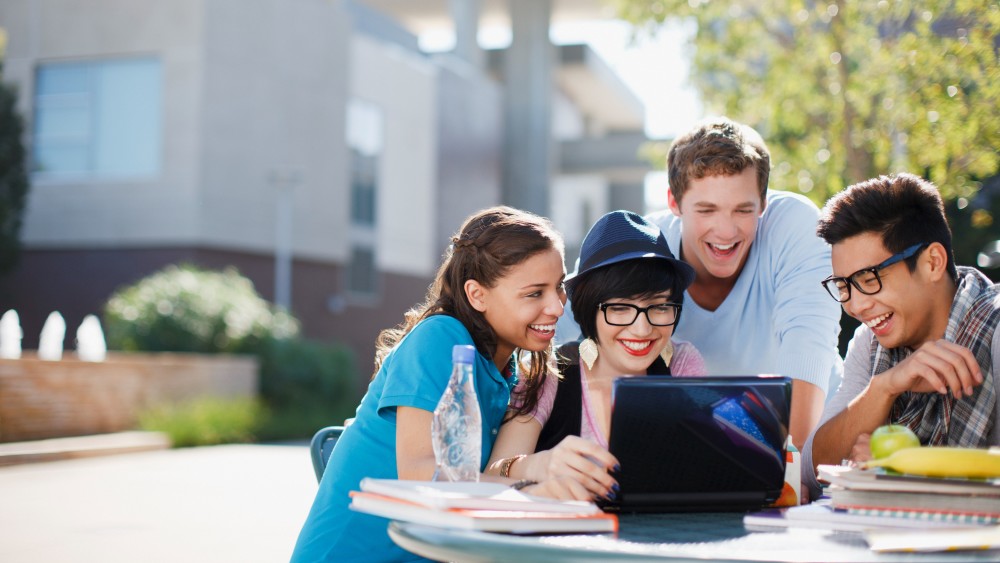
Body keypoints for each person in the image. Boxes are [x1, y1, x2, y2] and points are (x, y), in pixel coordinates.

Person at [291, 206, 587, 562]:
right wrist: (535, 489)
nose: (557, 307)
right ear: (477, 295)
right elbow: (422, 475)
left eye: (559, 287)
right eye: (534, 293)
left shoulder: (508, 371)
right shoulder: (441, 337)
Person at [646, 116, 843, 450]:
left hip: (813, 439)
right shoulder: (646, 246)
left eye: (742, 210)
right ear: (674, 203)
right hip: (694, 445)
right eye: (707, 210)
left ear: (763, 203)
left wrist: (792, 471)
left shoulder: (796, 225)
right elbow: (573, 334)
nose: (725, 231)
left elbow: (809, 344)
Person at [484, 210, 706, 499]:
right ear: (590, 309)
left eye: (660, 307)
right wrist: (539, 473)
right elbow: (492, 474)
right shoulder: (550, 372)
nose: (642, 329)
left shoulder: (682, 364)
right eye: (620, 308)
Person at [803, 173, 999, 497]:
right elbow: (812, 469)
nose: (855, 305)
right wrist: (883, 388)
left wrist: (904, 470)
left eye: (868, 279)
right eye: (843, 286)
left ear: (932, 262)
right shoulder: (870, 343)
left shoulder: (995, 330)